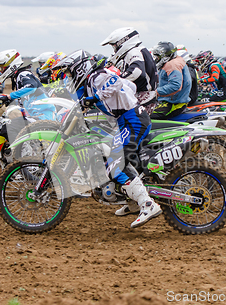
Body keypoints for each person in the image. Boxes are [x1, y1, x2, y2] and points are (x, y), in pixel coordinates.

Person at [52, 50, 162, 228]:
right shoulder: (91, 82)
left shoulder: (97, 76)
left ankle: (147, 204)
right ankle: (132, 201)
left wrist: (94, 98)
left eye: (71, 73)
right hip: (126, 120)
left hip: (134, 120)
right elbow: (129, 87)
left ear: (79, 68)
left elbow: (116, 82)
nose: (70, 77)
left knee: (116, 164)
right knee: (111, 159)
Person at [0, 49, 55, 142]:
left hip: (43, 117)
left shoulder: (23, 74)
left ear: (10, 65)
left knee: (8, 128)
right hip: (39, 116)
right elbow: (27, 96)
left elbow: (31, 87)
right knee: (10, 125)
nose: (1, 71)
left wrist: (9, 96)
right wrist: (9, 100)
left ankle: (21, 154)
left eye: (2, 68)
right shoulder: (19, 76)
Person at [100, 27, 158, 113]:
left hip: (143, 97)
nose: (114, 49)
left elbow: (136, 72)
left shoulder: (134, 52)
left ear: (122, 42)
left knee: (128, 122)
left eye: (115, 45)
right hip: (144, 96)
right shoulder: (138, 50)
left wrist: (115, 80)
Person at [150, 41, 191, 119]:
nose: (156, 59)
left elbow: (175, 85)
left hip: (173, 104)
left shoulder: (172, 64)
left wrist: (155, 93)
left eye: (158, 57)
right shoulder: (176, 60)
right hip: (174, 102)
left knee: (144, 117)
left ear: (164, 56)